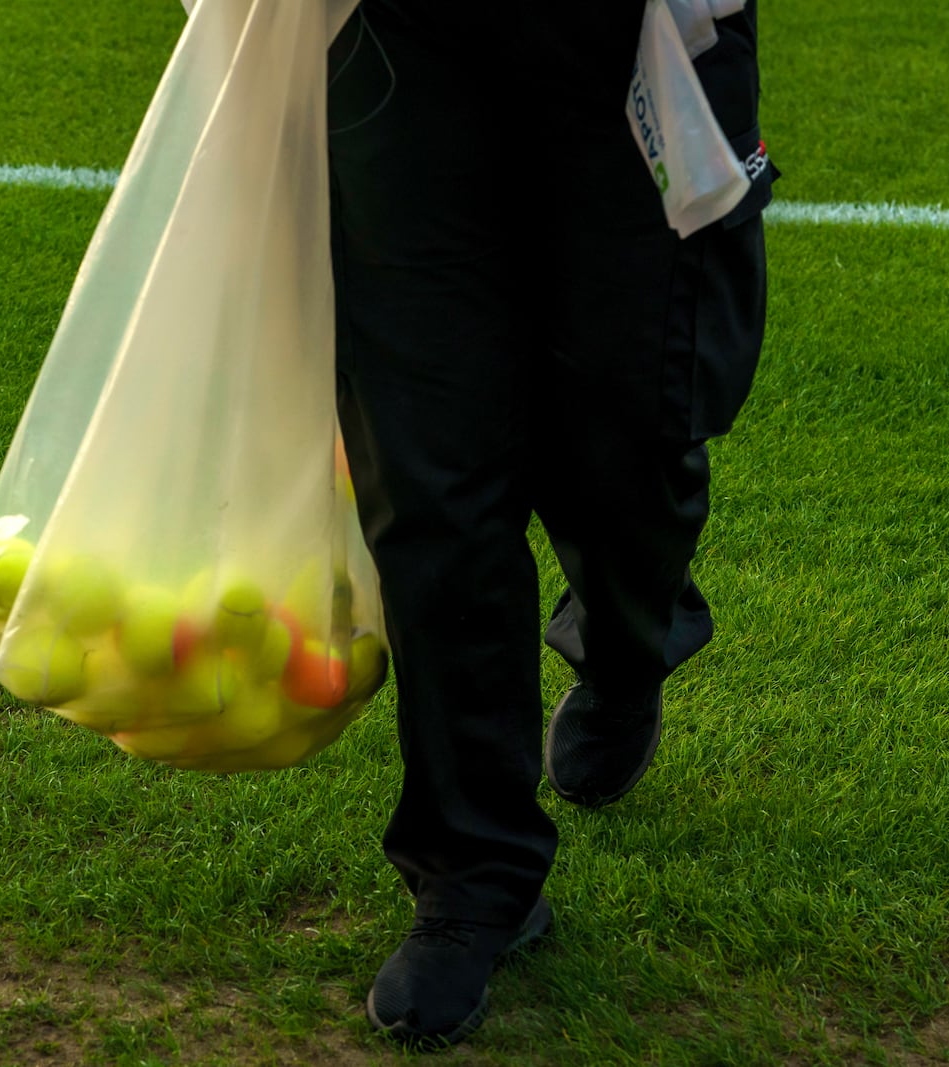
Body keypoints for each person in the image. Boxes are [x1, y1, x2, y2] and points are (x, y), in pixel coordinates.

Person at [326, 0, 777, 1048]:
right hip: (397, 34)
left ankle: (629, 645)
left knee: (630, 428)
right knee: (428, 465)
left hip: (632, 31)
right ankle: (473, 876)